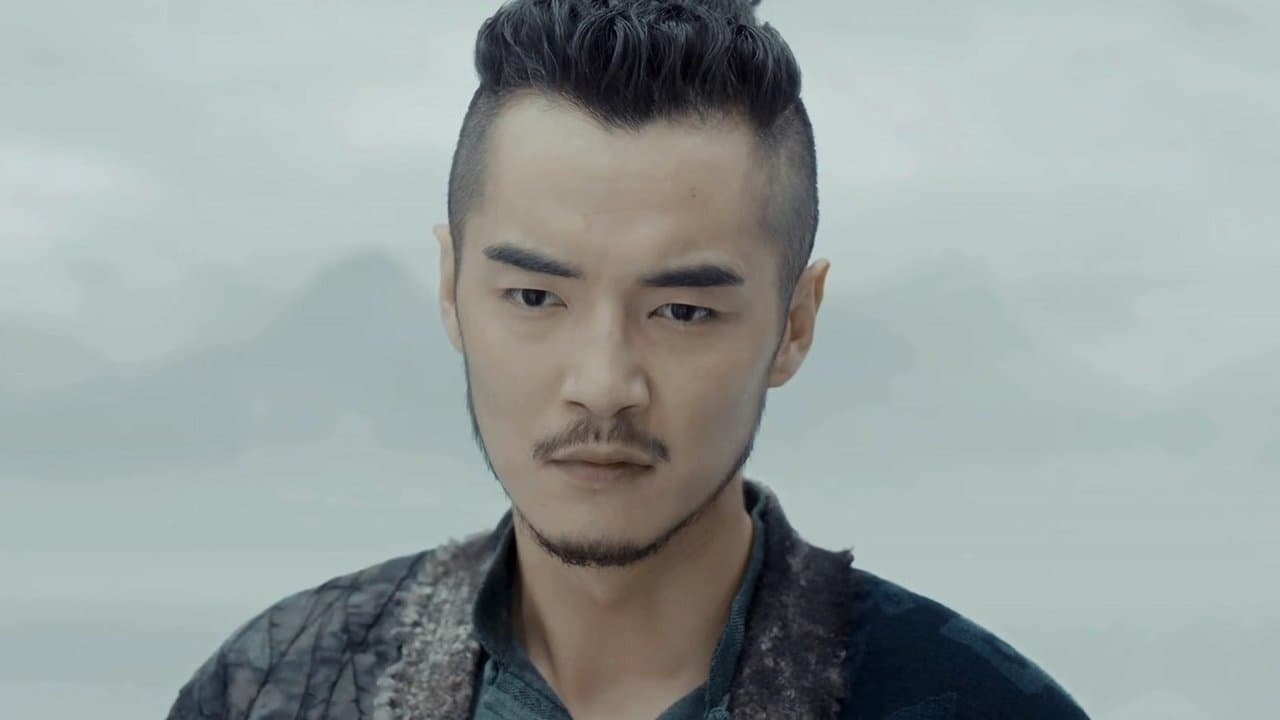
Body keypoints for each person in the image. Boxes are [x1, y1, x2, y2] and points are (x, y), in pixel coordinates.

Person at [167, 1, 1091, 718]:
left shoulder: (979, 708)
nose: (603, 383)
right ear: (452, 288)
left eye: (682, 311)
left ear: (795, 324)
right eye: (535, 298)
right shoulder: (273, 688)